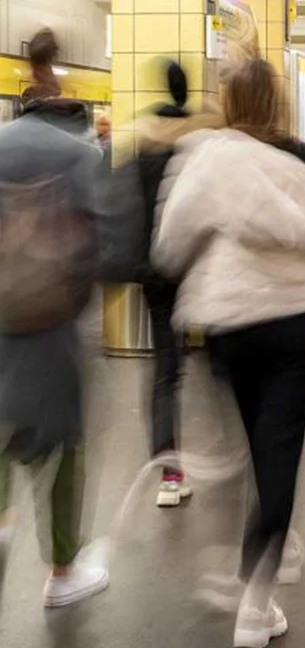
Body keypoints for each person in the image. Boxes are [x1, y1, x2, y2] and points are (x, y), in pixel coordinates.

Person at [153, 58, 305, 648]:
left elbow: (169, 244)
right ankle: (256, 596)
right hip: (296, 324)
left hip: (229, 321)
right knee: (279, 452)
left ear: (228, 101)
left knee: (249, 442)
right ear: (277, 104)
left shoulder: (206, 158)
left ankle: (254, 551)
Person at [0, 29, 110, 648]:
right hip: (51, 328)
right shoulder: (79, 157)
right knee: (63, 447)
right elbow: (101, 245)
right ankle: (62, 572)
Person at [123, 61, 207, 508]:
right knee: (222, 364)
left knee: (164, 371)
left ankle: (169, 476)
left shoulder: (141, 143)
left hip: (153, 268)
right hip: (198, 266)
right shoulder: (200, 142)